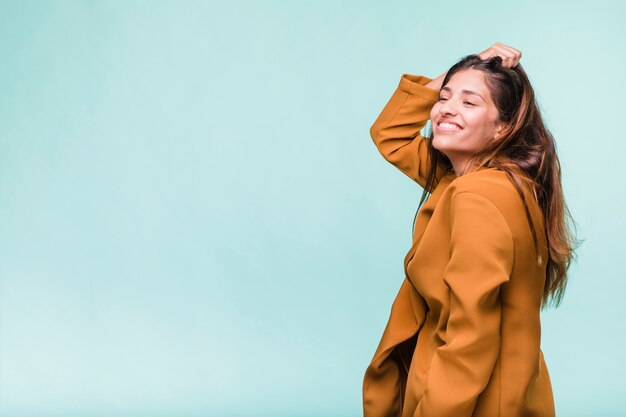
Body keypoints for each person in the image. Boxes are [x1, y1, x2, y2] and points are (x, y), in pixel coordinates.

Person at [362, 43, 579, 417]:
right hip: (510, 387)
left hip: (467, 395)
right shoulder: (487, 180)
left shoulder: (475, 195)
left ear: (501, 128)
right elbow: (390, 134)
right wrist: (472, 68)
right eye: (444, 98)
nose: (446, 108)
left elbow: (469, 338)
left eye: (470, 102)